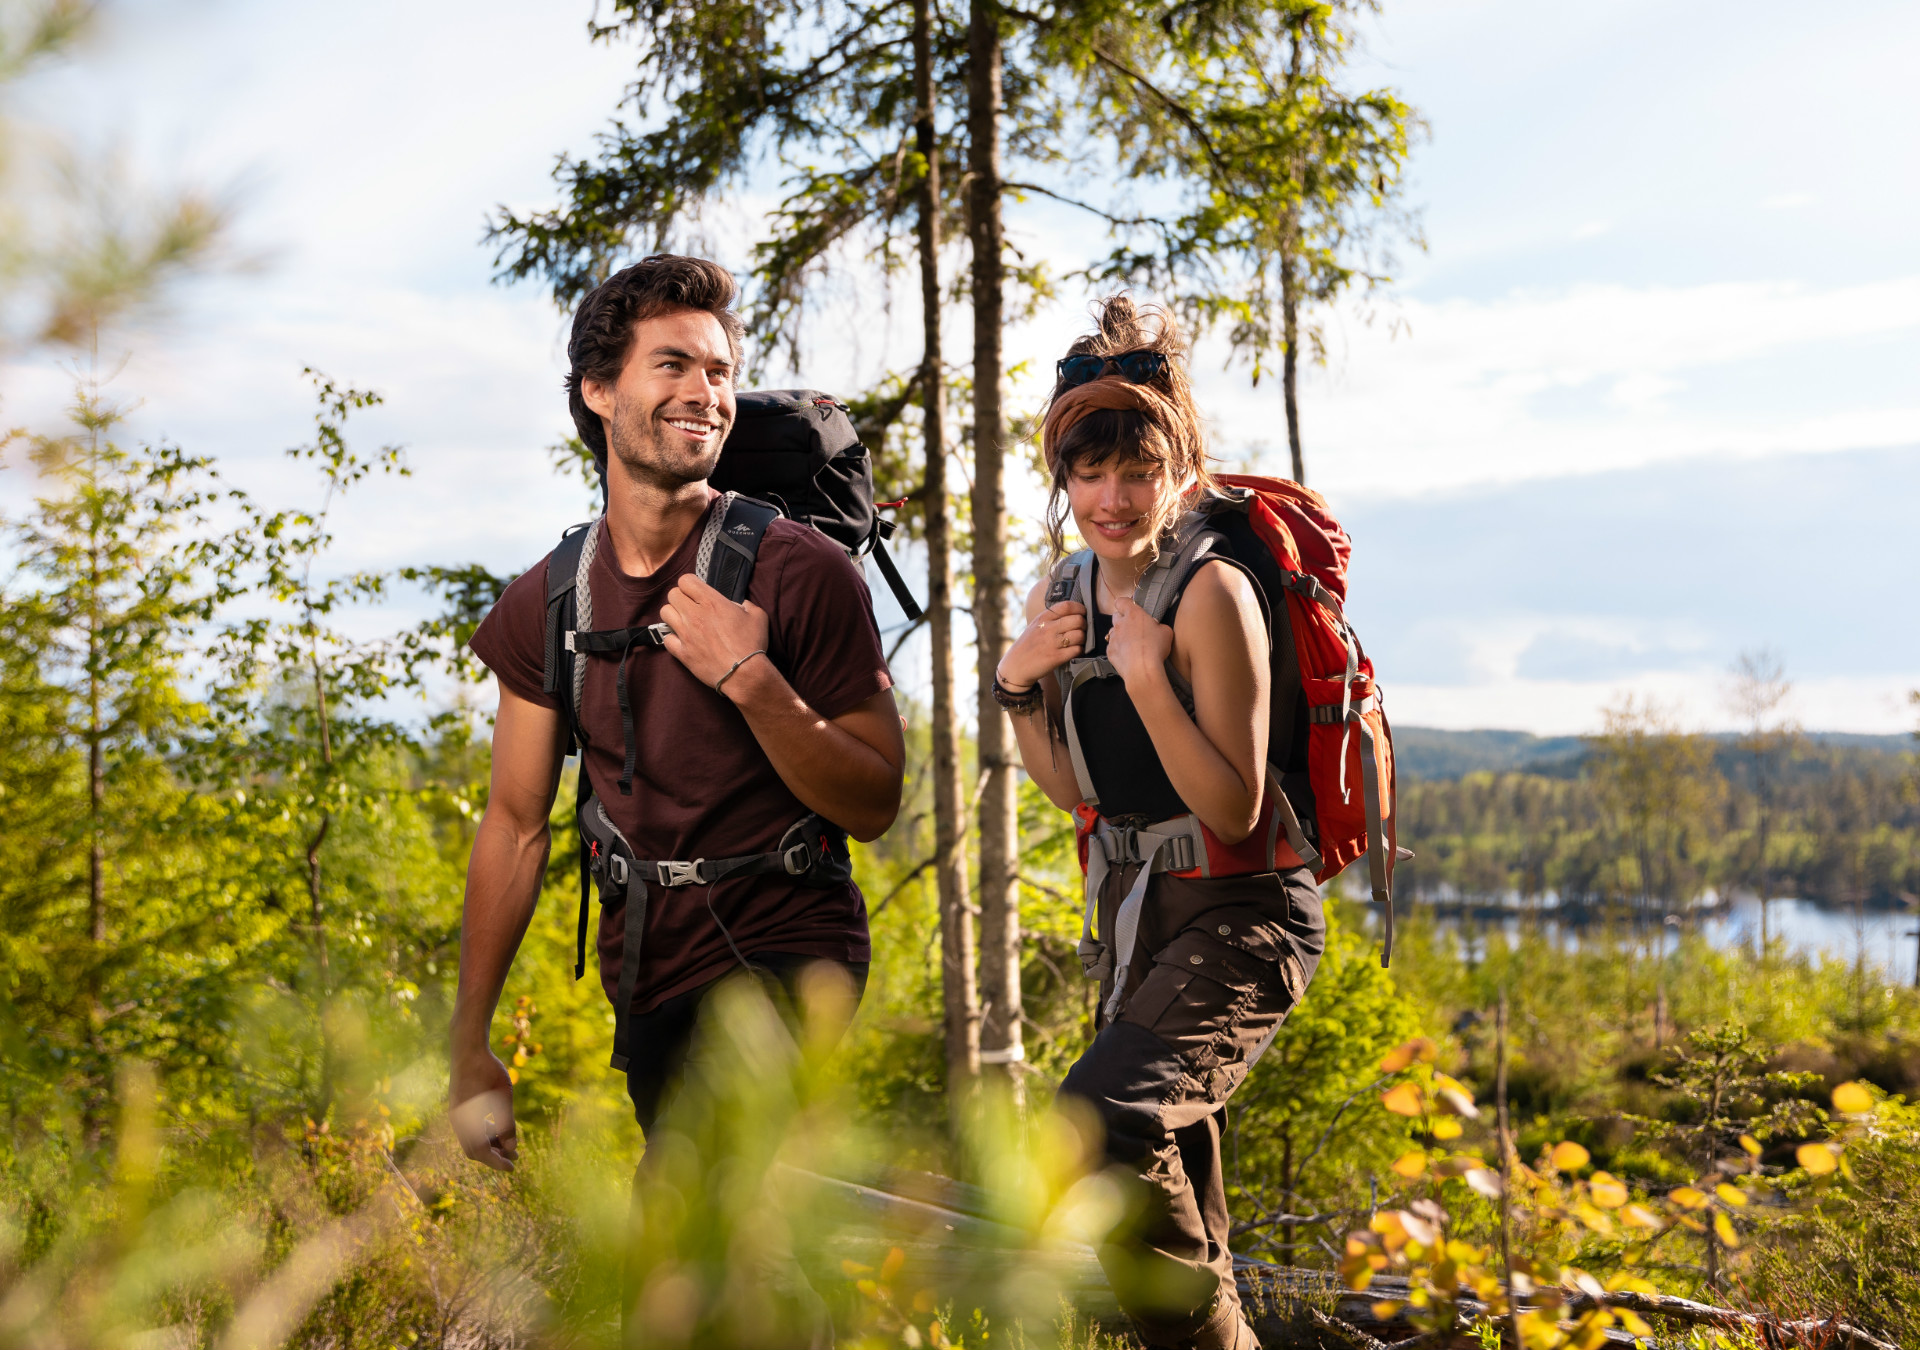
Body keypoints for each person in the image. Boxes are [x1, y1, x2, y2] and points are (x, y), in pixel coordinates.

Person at [447, 254, 904, 1175]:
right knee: (736, 1259)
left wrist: (752, 677)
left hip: (792, 949)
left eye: (720, 371)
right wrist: (468, 1046)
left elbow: (874, 800)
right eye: (674, 365)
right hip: (649, 970)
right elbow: (514, 824)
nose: (707, 392)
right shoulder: (550, 602)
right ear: (599, 392)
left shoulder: (800, 571)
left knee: (683, 1223)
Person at [996, 297, 1324, 1350]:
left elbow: (1234, 806)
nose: (1110, 497)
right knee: (1173, 1170)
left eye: (1136, 470)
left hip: (1246, 913)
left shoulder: (1215, 590)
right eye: (1088, 473)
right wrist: (1012, 690)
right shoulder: (1062, 587)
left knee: (1102, 1119)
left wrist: (1148, 678)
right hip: (1145, 920)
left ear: (1178, 465)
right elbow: (1071, 788)